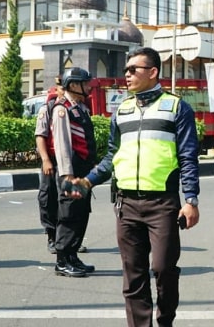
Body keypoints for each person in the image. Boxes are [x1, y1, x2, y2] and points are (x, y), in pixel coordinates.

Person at [72, 47, 200, 327]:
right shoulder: (122, 111)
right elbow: (111, 157)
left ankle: (165, 320)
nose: (126, 74)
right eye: (126, 70)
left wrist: (191, 200)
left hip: (163, 204)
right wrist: (88, 180)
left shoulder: (177, 108)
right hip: (126, 204)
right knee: (133, 274)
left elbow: (188, 157)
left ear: (152, 72)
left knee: (163, 268)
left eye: (133, 70)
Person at [51, 67, 97, 278]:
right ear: (73, 85)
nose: (89, 86)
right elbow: (62, 145)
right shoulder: (63, 109)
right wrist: (67, 175)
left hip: (84, 171)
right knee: (69, 216)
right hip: (70, 171)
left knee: (81, 214)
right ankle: (62, 260)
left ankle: (72, 256)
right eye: (85, 83)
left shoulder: (81, 107)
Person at [35, 85, 62, 253]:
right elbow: (41, 135)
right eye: (62, 87)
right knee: (47, 197)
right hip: (52, 160)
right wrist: (45, 160)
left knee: (69, 201)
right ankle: (52, 236)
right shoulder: (48, 109)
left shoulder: (78, 108)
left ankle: (69, 238)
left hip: (71, 161)